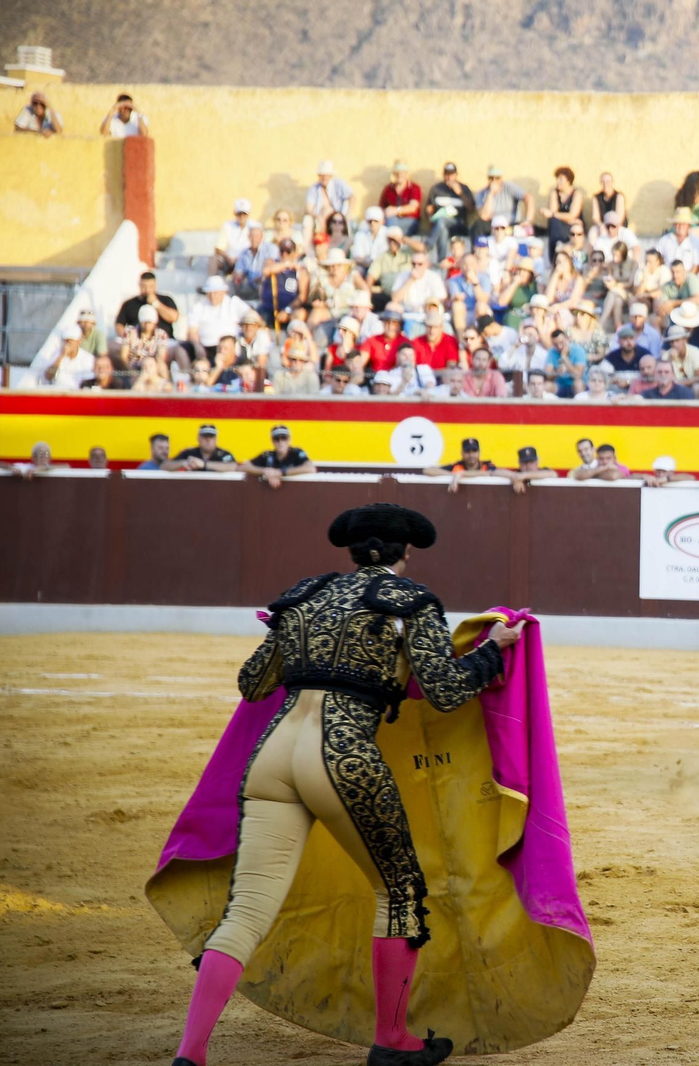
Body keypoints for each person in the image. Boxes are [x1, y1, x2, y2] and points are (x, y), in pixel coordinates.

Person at [165, 503, 525, 1066]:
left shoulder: (303, 597)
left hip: (273, 757)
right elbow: (446, 690)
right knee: (400, 892)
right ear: (407, 553)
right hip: (343, 754)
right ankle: (393, 1040)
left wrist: (290, 638)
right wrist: (491, 652)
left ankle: (191, 1052)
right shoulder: (412, 603)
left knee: (246, 911)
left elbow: (252, 685)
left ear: (353, 551)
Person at [239, 425, 316, 489]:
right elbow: (244, 466)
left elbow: (310, 468)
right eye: (277, 439)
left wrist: (280, 472)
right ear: (272, 441)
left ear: (289, 440)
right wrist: (266, 472)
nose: (280, 442)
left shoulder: (296, 453)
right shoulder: (267, 455)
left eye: (284, 438)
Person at [164, 424, 239, 472]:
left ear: (216, 439)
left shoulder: (223, 454)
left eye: (211, 437)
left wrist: (204, 464)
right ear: (198, 438)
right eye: (205, 437)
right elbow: (165, 466)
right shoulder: (189, 453)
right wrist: (184, 463)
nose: (208, 440)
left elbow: (233, 467)